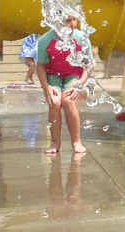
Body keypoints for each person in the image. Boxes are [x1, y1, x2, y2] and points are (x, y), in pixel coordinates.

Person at [35, 20, 90, 158]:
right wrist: (46, 87)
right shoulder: (46, 40)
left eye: (73, 19)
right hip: (54, 74)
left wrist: (80, 82)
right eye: (66, 20)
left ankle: (76, 141)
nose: (70, 24)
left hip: (74, 74)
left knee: (68, 101)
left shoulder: (81, 38)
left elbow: (89, 65)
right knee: (55, 102)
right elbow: (40, 65)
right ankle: (55, 142)